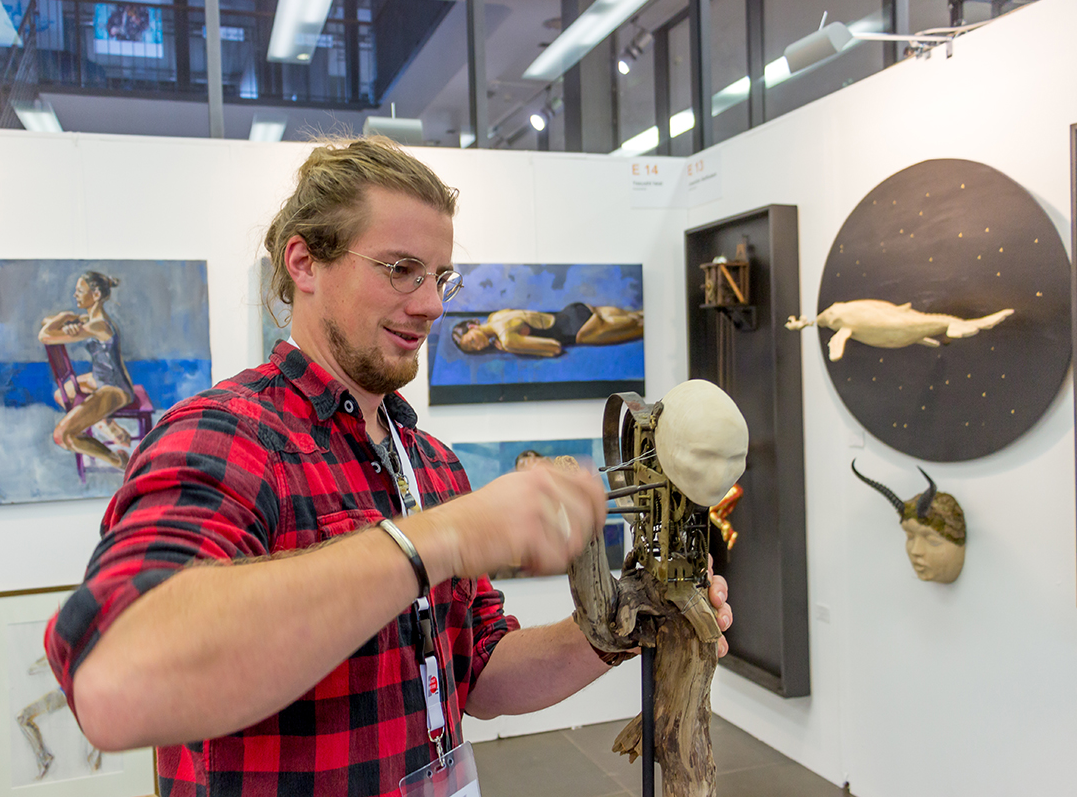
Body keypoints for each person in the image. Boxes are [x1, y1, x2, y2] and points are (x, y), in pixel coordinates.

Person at [44, 137, 732, 797]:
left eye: (439, 277)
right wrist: (442, 538)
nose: (431, 304)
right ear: (304, 263)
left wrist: (622, 623)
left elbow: (478, 672)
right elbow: (113, 686)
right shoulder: (225, 436)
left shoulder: (430, 463)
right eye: (400, 269)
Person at [39, 272, 135, 470]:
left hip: (115, 388)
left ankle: (118, 461)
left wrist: (63, 317)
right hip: (99, 379)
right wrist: (68, 321)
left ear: (96, 294)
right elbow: (46, 322)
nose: (75, 295)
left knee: (62, 436)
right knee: (61, 394)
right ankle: (105, 423)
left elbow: (45, 336)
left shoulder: (98, 325)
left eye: (80, 291)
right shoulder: (90, 320)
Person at [451, 304, 644, 357]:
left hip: (578, 331)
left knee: (640, 328)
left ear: (472, 327)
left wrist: (512, 349)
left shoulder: (507, 340)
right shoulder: (496, 315)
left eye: (472, 341)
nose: (478, 347)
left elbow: (553, 347)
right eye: (473, 349)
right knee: (639, 315)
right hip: (573, 310)